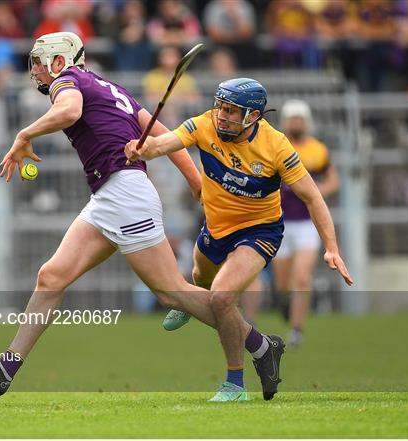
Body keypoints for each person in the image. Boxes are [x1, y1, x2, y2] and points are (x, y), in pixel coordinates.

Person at [0, 32, 280, 403]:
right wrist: (194, 179)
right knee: (51, 275)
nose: (37, 72)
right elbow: (161, 133)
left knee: (171, 293)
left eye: (41, 63)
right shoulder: (106, 85)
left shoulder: (68, 81)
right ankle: (4, 369)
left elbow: (71, 112)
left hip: (125, 195)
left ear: (60, 61)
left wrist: (24, 133)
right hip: (109, 196)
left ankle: (261, 346)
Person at [125, 77, 353, 400]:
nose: (222, 115)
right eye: (221, 107)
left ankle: (235, 384)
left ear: (253, 116)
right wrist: (143, 148)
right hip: (216, 227)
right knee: (199, 277)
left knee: (220, 298)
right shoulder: (205, 123)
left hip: (259, 231)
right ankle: (263, 347)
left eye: (232, 111)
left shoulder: (276, 146)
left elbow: (314, 197)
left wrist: (331, 248)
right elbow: (167, 143)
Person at [274, 99, 340, 348]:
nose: (297, 123)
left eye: (300, 119)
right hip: (279, 223)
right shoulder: (278, 147)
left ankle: (296, 329)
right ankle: (283, 301)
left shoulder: (317, 150)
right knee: (283, 283)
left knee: (302, 277)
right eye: (293, 119)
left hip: (306, 224)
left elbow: (333, 180)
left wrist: (316, 190)